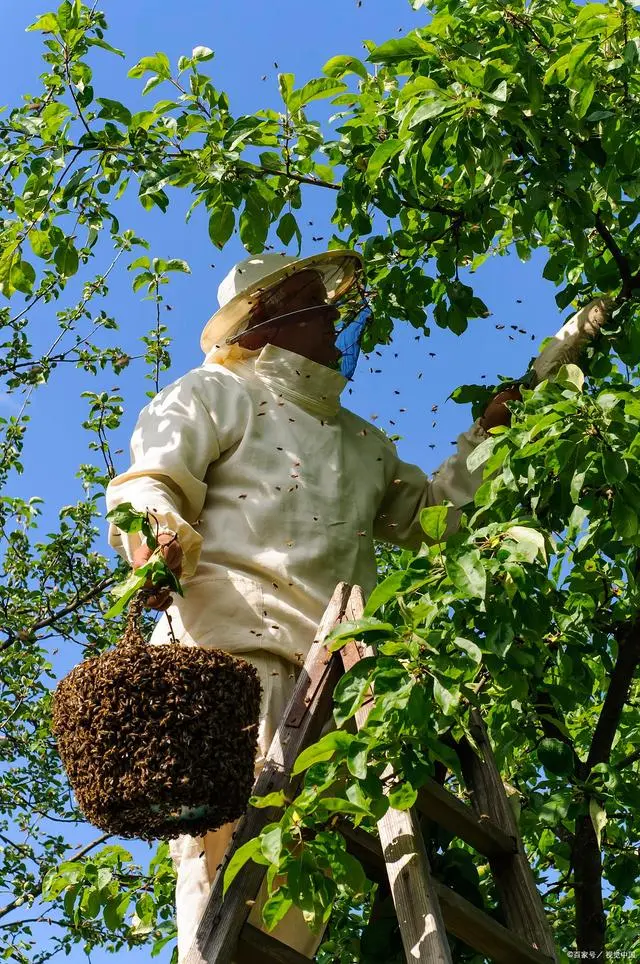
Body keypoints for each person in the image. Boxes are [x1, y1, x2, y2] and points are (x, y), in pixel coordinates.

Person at [104, 249, 610, 961]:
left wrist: (493, 431)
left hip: (341, 686)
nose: (337, 315)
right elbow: (148, 481)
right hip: (229, 669)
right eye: (317, 299)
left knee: (300, 893)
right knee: (220, 880)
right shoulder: (211, 395)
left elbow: (437, 514)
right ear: (267, 317)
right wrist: (155, 538)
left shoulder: (363, 443)